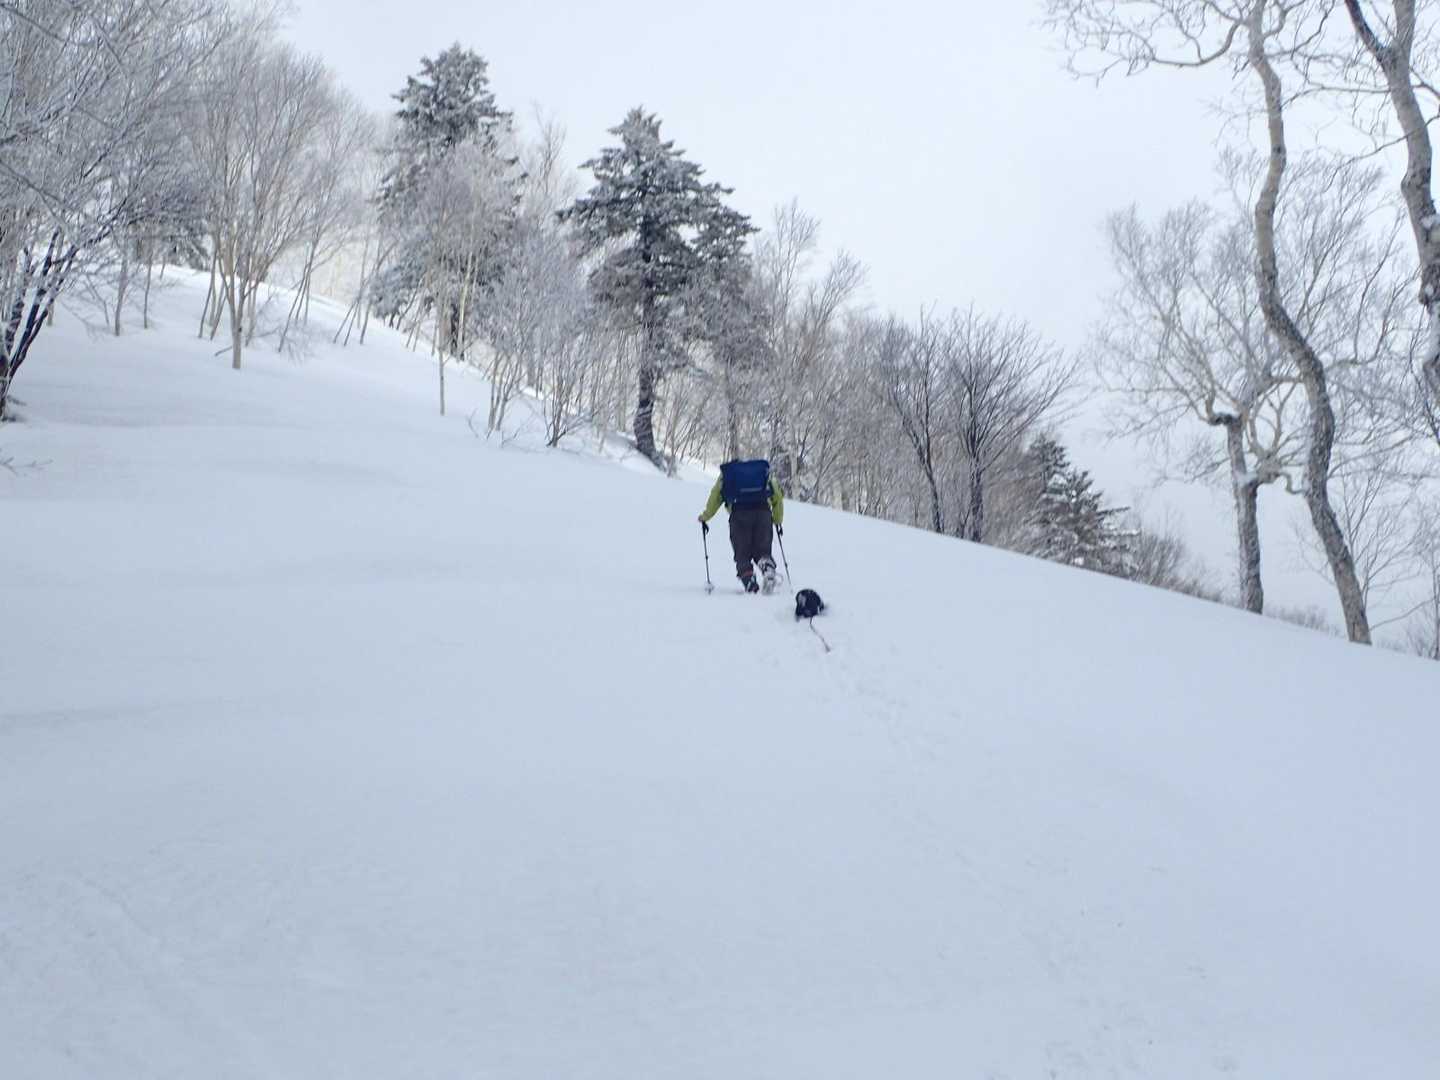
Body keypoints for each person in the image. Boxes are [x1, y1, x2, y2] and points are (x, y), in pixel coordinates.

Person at [698, 458, 784, 593]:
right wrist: (777, 520)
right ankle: (768, 569)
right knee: (763, 551)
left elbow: (716, 496)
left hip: (739, 515)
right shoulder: (761, 472)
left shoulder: (729, 474)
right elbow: (777, 496)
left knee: (742, 553)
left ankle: (749, 582)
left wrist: (706, 516)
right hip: (763, 513)